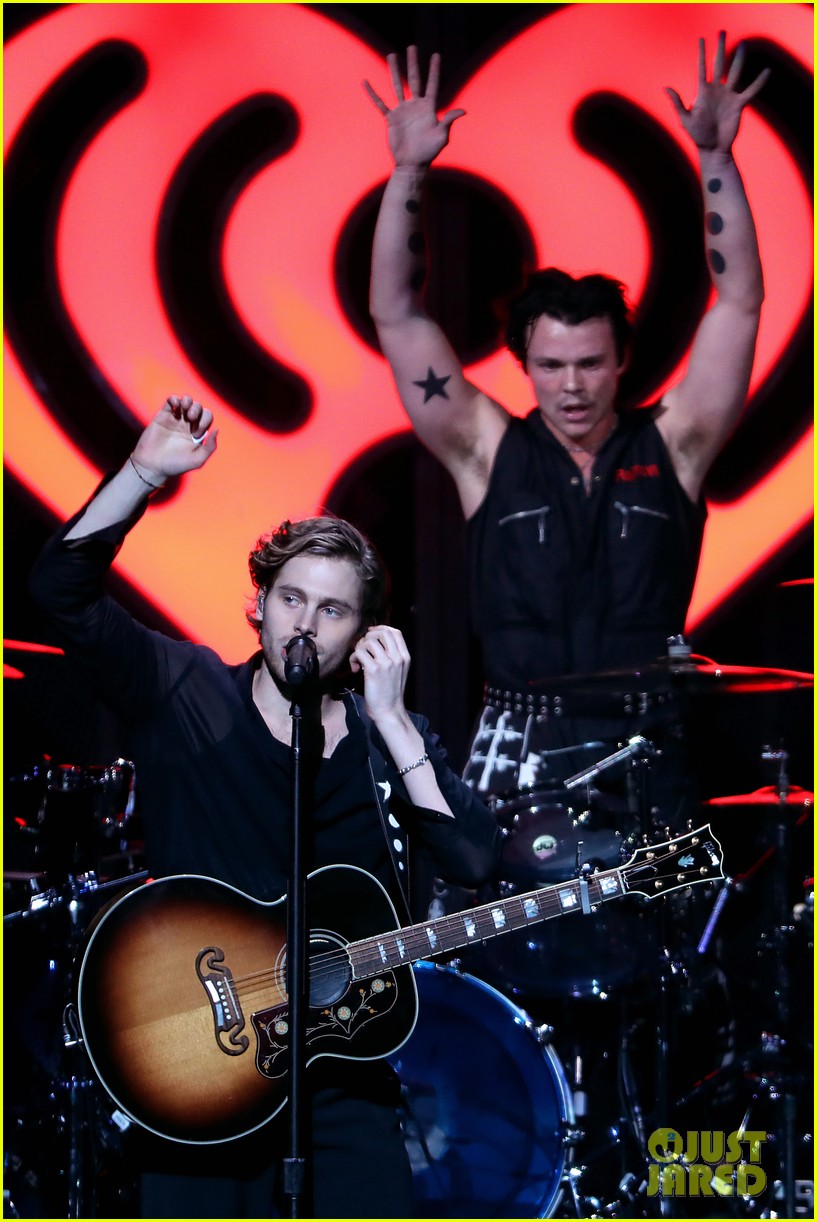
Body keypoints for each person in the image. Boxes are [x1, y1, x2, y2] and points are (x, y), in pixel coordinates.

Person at [28, 394, 501, 1219]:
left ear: (366, 635)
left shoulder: (385, 737)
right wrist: (142, 474)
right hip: (199, 1066)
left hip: (339, 1075)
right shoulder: (187, 691)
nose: (304, 626)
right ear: (258, 603)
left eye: (332, 610)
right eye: (290, 599)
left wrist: (394, 722)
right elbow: (57, 590)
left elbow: (473, 861)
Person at [364, 35, 768, 816]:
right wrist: (408, 171)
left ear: (621, 362)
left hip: (648, 742)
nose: (571, 386)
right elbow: (396, 312)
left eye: (589, 363)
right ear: (523, 364)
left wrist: (715, 158)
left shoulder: (675, 443)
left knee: (665, 902)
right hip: (520, 740)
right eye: (550, 366)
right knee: (493, 898)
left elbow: (740, 302)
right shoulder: (487, 451)